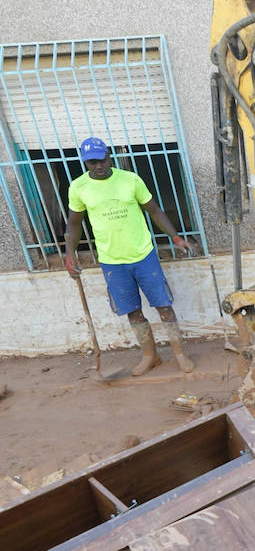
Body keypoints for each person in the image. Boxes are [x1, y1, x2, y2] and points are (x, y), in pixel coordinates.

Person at [65, 136, 195, 375]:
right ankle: (150, 356)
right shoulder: (78, 187)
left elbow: (154, 210)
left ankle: (179, 353)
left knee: (163, 305)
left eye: (102, 160)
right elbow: (74, 224)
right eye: (92, 162)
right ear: (85, 163)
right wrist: (69, 254)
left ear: (109, 156)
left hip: (143, 255)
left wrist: (176, 237)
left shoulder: (130, 180)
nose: (98, 166)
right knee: (133, 311)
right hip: (112, 261)